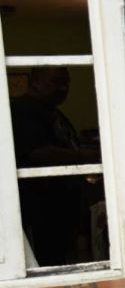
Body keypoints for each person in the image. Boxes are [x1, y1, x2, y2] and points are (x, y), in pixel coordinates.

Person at [11, 66, 100, 265]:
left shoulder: (52, 112)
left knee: (63, 258)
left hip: (61, 207)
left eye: (67, 82)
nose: (64, 88)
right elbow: (35, 152)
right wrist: (80, 155)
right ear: (36, 82)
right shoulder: (23, 110)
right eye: (57, 81)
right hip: (40, 208)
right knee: (47, 263)